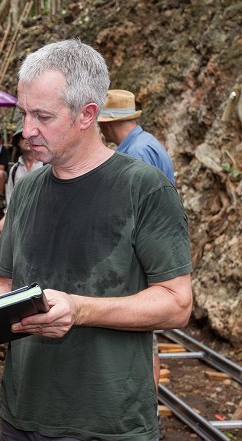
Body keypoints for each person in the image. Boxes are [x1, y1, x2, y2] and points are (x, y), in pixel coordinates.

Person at [0, 39, 192, 441]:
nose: (27, 130)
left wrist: (79, 309)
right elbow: (7, 283)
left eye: (43, 116)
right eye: (24, 113)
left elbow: (176, 304)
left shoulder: (144, 189)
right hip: (22, 415)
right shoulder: (30, 188)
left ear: (87, 114)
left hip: (107, 423)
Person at [98, 88, 178, 392]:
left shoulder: (133, 155)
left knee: (142, 335)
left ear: (107, 124)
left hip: (141, 251)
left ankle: (144, 404)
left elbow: (128, 216)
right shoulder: (148, 145)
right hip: (155, 246)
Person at [98, 89, 175, 184]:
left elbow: (138, 197)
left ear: (107, 124)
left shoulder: (135, 153)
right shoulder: (145, 141)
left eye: (100, 123)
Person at [0, 129, 42, 240]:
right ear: (18, 142)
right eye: (23, 137)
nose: (27, 140)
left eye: (31, 137)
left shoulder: (47, 167)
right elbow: (11, 209)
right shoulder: (14, 171)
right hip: (22, 233)